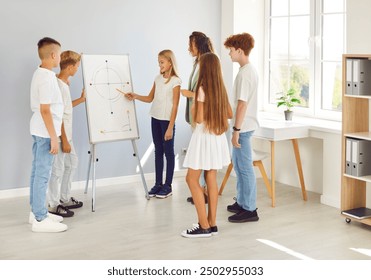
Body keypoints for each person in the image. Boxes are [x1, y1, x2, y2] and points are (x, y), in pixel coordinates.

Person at [181, 53, 232, 238]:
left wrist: (195, 105)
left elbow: (200, 118)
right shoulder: (221, 89)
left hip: (203, 136)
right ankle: (212, 224)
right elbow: (229, 113)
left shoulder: (202, 89)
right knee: (211, 176)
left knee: (191, 179)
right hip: (216, 137)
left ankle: (203, 226)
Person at [124, 50, 181, 198]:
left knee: (169, 153)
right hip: (155, 118)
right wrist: (135, 96)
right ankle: (158, 184)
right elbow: (150, 98)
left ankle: (168, 186)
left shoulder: (176, 81)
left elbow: (175, 106)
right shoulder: (157, 78)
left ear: (170, 62)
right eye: (159, 62)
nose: (159, 65)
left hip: (167, 121)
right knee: (158, 151)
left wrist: (170, 127)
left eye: (162, 62)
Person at [28, 37, 67, 233]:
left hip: (39, 130)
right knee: (42, 174)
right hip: (45, 132)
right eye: (59, 54)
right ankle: (40, 219)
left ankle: (36, 211)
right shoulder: (46, 78)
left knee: (37, 172)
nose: (60, 58)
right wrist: (54, 137)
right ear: (53, 55)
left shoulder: (41, 73)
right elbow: (45, 110)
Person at [224, 33, 259, 223]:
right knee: (238, 166)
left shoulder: (246, 73)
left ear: (239, 50)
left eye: (230, 50)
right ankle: (242, 202)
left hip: (243, 129)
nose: (229, 53)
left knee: (245, 169)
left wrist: (236, 130)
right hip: (241, 127)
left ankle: (250, 209)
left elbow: (242, 104)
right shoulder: (245, 70)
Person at [47, 51, 86, 217]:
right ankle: (53, 204)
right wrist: (64, 140)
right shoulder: (60, 87)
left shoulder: (62, 84)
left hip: (67, 135)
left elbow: (66, 107)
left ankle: (64, 198)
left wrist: (82, 99)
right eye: (77, 66)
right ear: (70, 67)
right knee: (58, 169)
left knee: (71, 164)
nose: (77, 70)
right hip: (61, 136)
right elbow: (59, 115)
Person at [181, 31, 214, 205]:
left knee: (202, 159)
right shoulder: (198, 63)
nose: (188, 48)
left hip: (201, 117)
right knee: (201, 158)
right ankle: (200, 191)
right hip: (195, 116)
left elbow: (208, 92)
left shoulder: (206, 64)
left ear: (197, 44)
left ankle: (203, 193)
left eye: (190, 45)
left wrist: (190, 94)